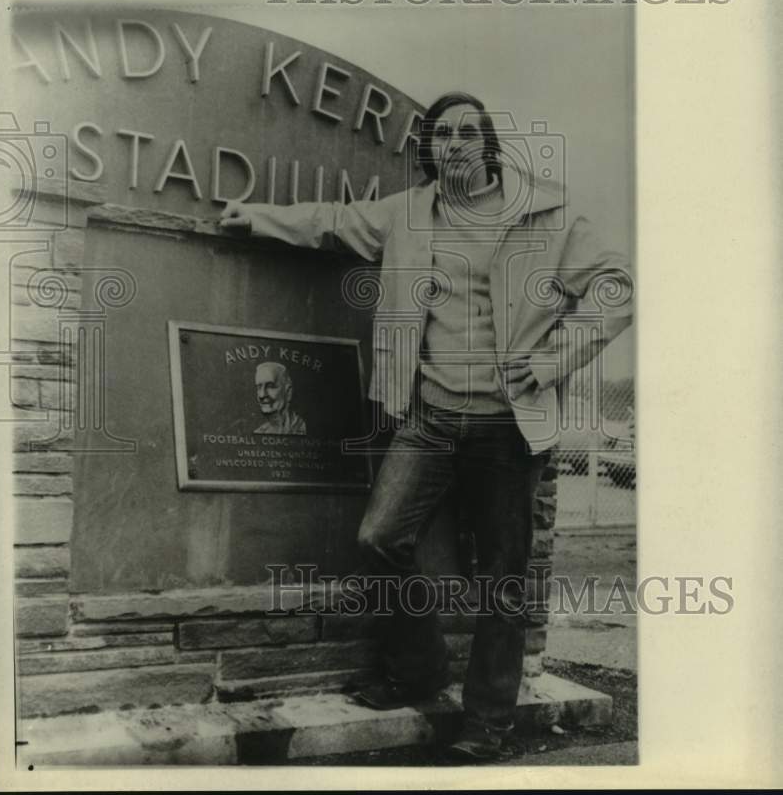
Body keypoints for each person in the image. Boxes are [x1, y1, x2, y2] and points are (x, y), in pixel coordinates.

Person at [220, 93, 632, 760]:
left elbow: (615, 286)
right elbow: (331, 221)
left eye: (469, 134)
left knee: (502, 576)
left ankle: (487, 722)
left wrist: (554, 359)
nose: (455, 145)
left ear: (489, 146)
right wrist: (255, 217)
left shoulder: (547, 216)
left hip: (507, 428)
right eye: (442, 136)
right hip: (429, 419)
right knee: (380, 537)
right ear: (428, 148)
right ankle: (420, 670)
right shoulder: (408, 214)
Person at [253, 361, 307, 435]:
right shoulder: (259, 432)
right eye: (259, 387)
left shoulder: (301, 428)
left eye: (270, 386)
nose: (262, 395)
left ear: (288, 391)